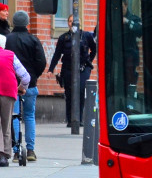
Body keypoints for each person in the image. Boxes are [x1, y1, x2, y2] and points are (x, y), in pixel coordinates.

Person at [6, 11, 46, 161]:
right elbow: (41, 61)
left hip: (12, 84)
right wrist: (34, 76)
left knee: (14, 117)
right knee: (29, 116)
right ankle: (30, 150)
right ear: (27, 23)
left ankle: (16, 151)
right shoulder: (33, 40)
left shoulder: (8, 40)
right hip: (30, 85)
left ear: (14, 23)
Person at [48, 14, 98, 126]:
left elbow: (94, 50)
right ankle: (70, 120)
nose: (72, 23)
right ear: (68, 23)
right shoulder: (63, 38)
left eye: (74, 21)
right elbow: (57, 54)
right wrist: (51, 69)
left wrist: (89, 61)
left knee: (80, 91)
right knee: (69, 93)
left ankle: (79, 119)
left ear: (79, 23)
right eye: (70, 21)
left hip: (83, 68)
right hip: (68, 68)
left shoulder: (86, 36)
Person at [0, 34, 30, 167]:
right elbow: (26, 77)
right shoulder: (11, 55)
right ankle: (5, 155)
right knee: (6, 123)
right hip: (8, 92)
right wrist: (21, 88)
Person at [121, 0, 142, 86]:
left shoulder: (133, 18)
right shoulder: (113, 19)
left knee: (130, 79)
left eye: (122, 7)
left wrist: (127, 22)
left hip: (130, 54)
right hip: (117, 55)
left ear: (126, 5)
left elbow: (140, 31)